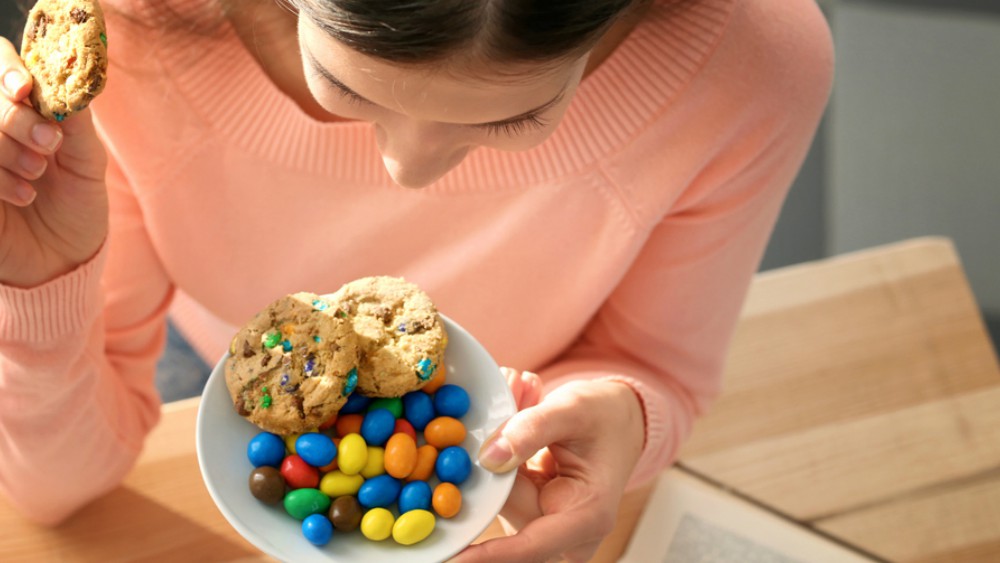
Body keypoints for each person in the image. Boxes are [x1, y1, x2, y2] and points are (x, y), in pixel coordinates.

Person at [0, 0, 833, 559]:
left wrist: (619, 419)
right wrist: (35, 288)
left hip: (511, 408)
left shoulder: (752, 68)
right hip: (193, 353)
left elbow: (661, 371)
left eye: (513, 117)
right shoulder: (131, 31)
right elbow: (52, 495)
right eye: (344, 87)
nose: (406, 170)